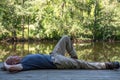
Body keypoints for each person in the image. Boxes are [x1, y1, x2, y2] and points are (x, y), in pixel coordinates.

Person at [1, 35, 120, 73]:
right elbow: (11, 68)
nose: (15, 55)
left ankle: (74, 58)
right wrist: (6, 64)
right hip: (56, 62)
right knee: (83, 64)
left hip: (53, 55)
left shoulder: (25, 58)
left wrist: (7, 59)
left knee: (65, 38)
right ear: (14, 61)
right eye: (13, 57)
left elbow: (10, 64)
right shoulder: (23, 65)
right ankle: (107, 65)